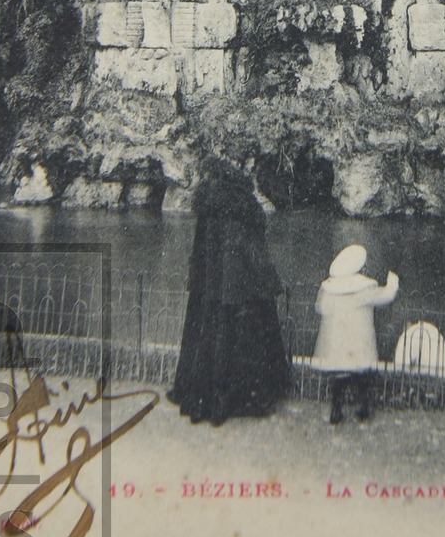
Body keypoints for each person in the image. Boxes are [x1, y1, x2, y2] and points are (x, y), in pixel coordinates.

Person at [169, 154, 290, 426]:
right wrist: (268, 281)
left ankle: (202, 399)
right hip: (241, 287)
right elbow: (253, 253)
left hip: (208, 286)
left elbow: (199, 252)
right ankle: (237, 401)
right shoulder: (244, 206)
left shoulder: (207, 205)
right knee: (242, 340)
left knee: (208, 339)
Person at [311, 244, 399, 425]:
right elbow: (385, 297)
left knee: (339, 376)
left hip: (338, 339)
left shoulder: (329, 288)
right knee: (361, 374)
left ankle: (336, 411)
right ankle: (363, 409)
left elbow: (321, 308)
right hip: (359, 339)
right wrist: (393, 281)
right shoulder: (364, 288)